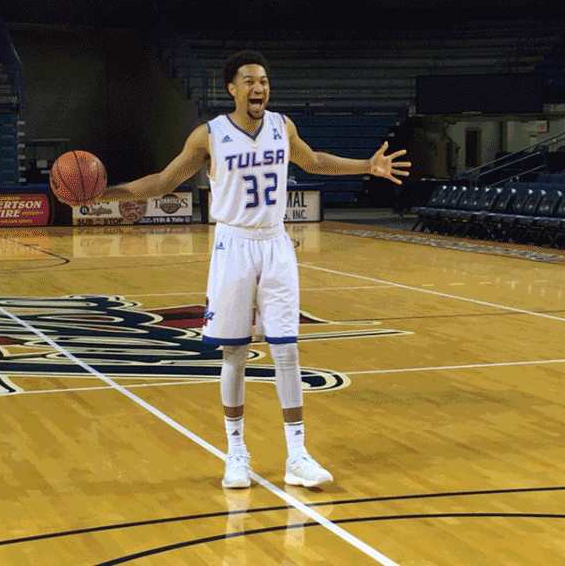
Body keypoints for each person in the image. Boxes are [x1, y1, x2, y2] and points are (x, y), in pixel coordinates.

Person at [90, 50, 410, 488]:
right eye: (249, 81)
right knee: (235, 353)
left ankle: (297, 455)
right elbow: (164, 183)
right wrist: (103, 194)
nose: (259, 87)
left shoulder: (282, 125)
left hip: (277, 244)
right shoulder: (209, 136)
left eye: (263, 81)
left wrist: (366, 166)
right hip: (233, 243)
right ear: (232, 89)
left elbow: (314, 160)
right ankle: (236, 453)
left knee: (287, 349)